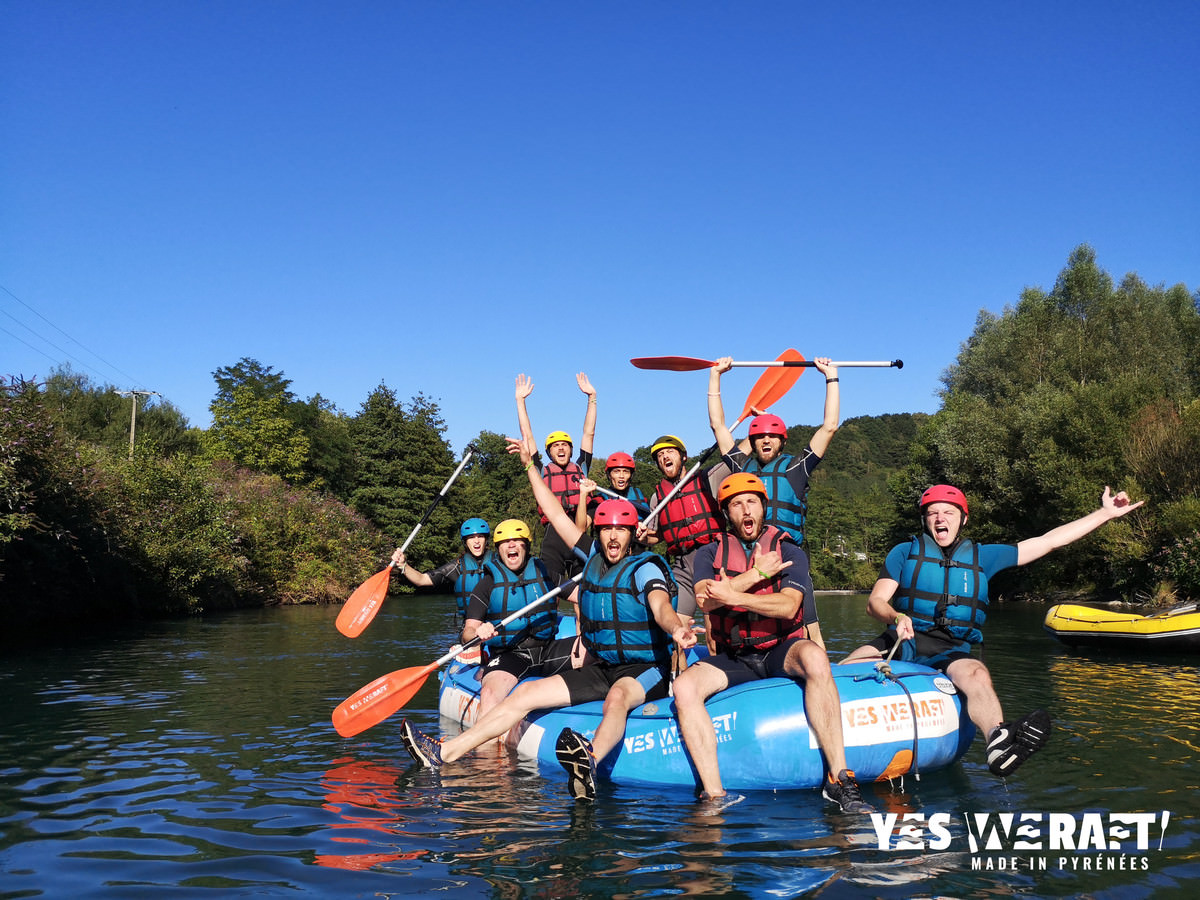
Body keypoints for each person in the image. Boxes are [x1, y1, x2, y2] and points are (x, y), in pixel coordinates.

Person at [399, 435, 694, 803]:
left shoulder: (644, 567)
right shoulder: (593, 559)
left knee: (617, 698)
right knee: (525, 692)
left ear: (632, 533)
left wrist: (677, 627)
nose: (613, 536)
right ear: (598, 534)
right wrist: (529, 465)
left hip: (644, 668)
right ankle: (444, 753)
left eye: (621, 529)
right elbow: (555, 513)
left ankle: (590, 761)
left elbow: (660, 605)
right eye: (606, 530)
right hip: (603, 666)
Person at [841, 483, 1146, 777]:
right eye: (933, 512)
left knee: (976, 673)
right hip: (902, 637)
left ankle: (998, 743)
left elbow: (1050, 540)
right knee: (848, 666)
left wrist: (1104, 514)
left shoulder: (984, 556)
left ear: (963, 518)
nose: (940, 518)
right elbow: (875, 602)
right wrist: (895, 616)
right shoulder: (904, 552)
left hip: (950, 648)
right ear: (925, 519)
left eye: (948, 512)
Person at [671, 472, 872, 814]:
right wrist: (758, 576)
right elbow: (705, 601)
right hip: (736, 656)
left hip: (781, 648)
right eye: (736, 505)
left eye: (751, 502)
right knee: (685, 688)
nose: (745, 510)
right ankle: (714, 794)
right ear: (727, 513)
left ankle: (839, 779)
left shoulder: (789, 548)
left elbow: (788, 605)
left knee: (815, 658)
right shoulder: (708, 553)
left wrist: (731, 594)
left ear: (763, 507)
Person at [708, 355, 840, 544]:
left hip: (787, 553)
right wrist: (715, 375)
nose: (766, 440)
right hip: (750, 553)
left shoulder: (796, 468)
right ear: (752, 443)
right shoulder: (742, 468)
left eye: (772, 436)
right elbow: (718, 426)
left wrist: (831, 376)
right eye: (760, 437)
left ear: (783, 442)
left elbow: (830, 427)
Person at [457, 518, 576, 718]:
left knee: (595, 650)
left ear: (526, 546)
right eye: (505, 541)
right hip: (510, 656)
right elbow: (467, 633)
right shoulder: (486, 585)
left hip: (549, 650)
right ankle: (485, 747)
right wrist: (477, 633)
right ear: (498, 548)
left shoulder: (546, 574)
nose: (511, 545)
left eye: (517, 540)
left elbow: (582, 595)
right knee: (490, 692)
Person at [515, 372, 597, 586]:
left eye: (565, 445)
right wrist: (520, 400)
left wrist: (592, 397)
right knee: (549, 587)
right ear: (550, 453)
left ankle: (584, 619)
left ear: (570, 450)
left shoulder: (582, 468)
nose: (560, 448)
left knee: (586, 588)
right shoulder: (541, 470)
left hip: (579, 529)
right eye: (555, 446)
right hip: (554, 536)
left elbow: (589, 433)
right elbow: (528, 435)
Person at [636, 434, 726, 620]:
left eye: (670, 451)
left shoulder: (708, 478)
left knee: (713, 632)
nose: (665, 457)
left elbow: (737, 455)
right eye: (660, 455)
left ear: (683, 456)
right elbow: (657, 537)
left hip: (713, 558)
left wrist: (753, 428)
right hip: (683, 565)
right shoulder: (657, 497)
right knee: (675, 628)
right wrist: (643, 537)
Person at [574, 452, 651, 532]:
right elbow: (580, 529)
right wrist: (583, 494)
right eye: (616, 471)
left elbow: (654, 532)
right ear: (609, 475)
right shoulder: (600, 500)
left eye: (626, 471)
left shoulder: (640, 497)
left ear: (631, 475)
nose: (621, 476)